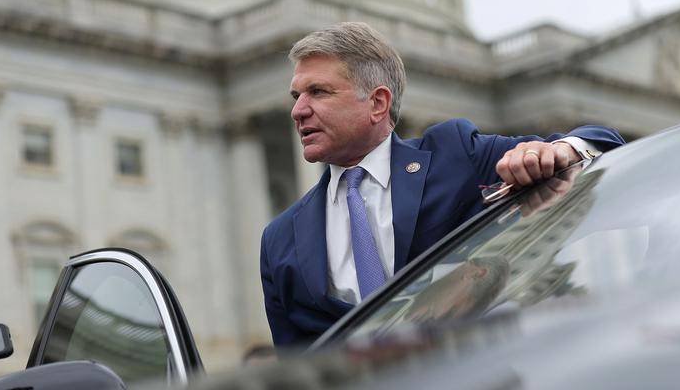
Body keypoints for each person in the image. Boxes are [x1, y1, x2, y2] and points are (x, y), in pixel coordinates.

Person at [260, 22, 624, 347]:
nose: (298, 110)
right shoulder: (280, 239)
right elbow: (297, 370)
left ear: (377, 103)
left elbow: (604, 143)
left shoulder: (455, 155)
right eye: (297, 96)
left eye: (318, 92)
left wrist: (558, 151)